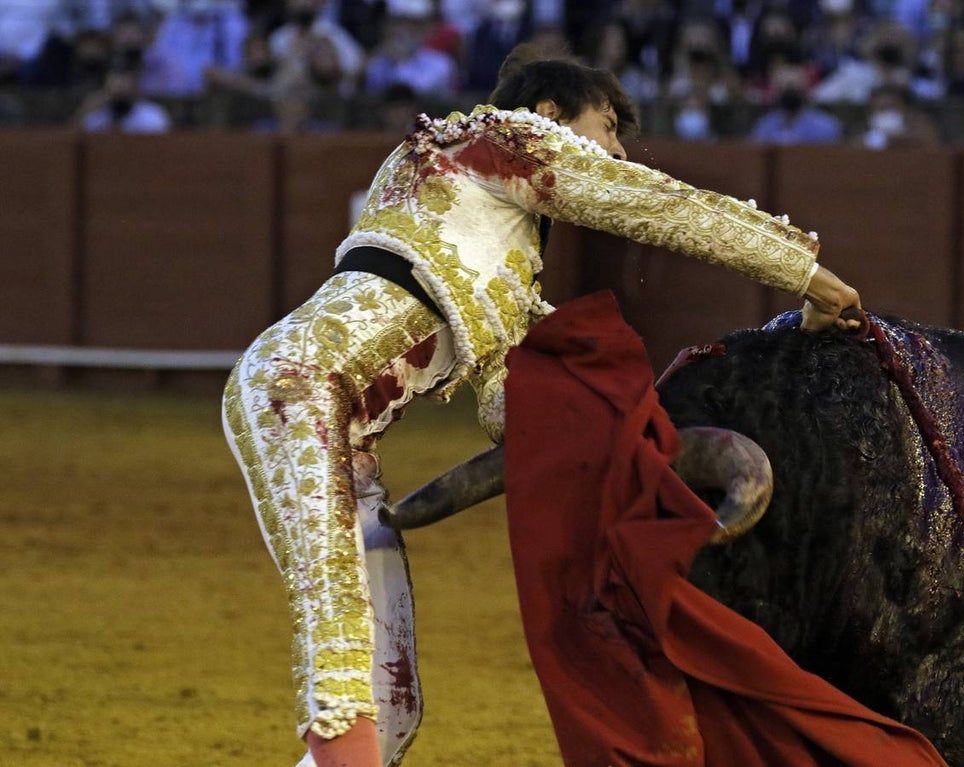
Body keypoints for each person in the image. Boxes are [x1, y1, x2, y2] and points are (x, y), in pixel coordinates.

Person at [222, 43, 864, 767]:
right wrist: (803, 270)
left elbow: (515, 403)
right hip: (298, 386)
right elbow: (654, 205)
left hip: (348, 444)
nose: (617, 148)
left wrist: (638, 445)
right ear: (549, 113)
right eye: (608, 124)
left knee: (393, 703)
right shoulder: (487, 138)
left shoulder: (489, 260)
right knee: (340, 649)